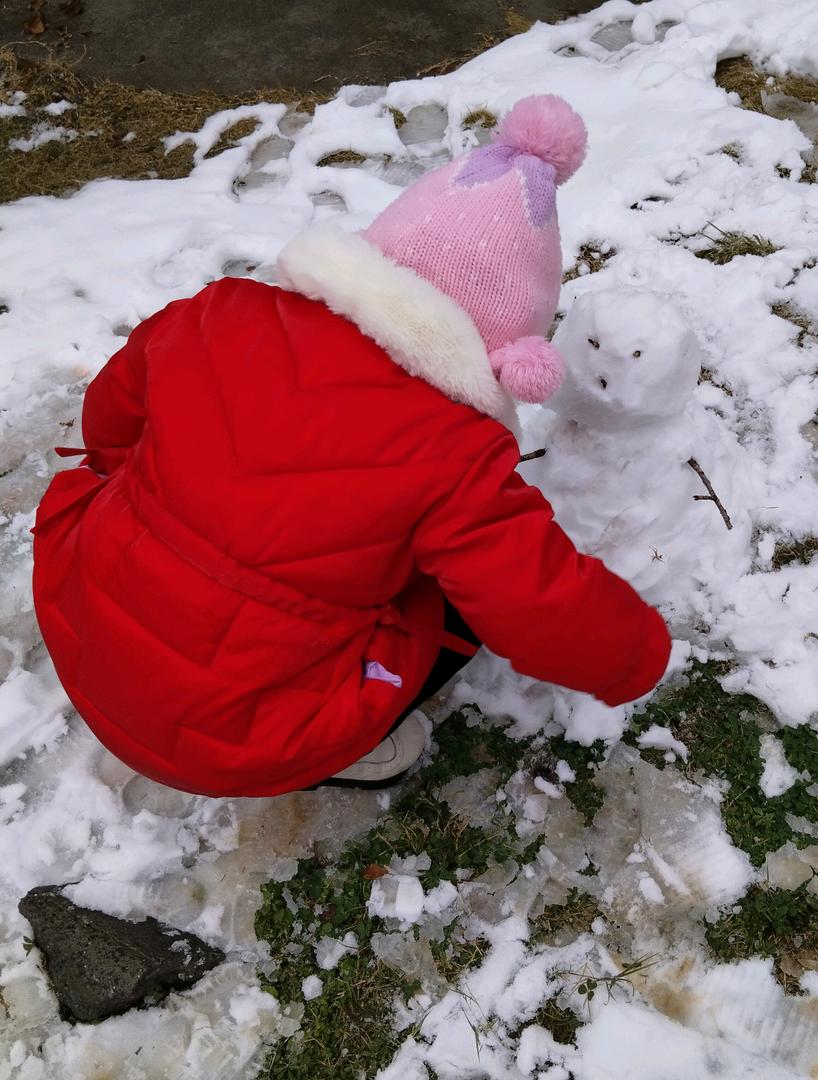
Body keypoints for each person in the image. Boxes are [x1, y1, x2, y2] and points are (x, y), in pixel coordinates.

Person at [31, 95, 672, 798]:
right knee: (461, 606)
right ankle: (340, 748)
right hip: (231, 744)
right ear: (505, 351)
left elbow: (110, 422)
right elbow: (541, 603)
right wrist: (636, 656)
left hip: (79, 625)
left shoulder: (220, 312)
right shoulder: (457, 454)